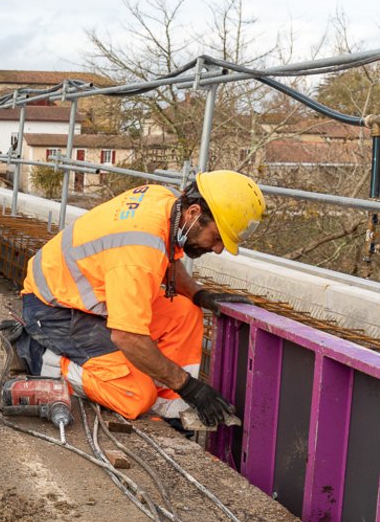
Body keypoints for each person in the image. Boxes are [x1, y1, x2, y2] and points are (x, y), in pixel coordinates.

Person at [16, 170, 265, 427]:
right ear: (193, 213)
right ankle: (42, 356)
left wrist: (199, 294)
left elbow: (167, 259)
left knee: (185, 312)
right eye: (217, 237)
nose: (218, 248)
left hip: (87, 296)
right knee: (136, 397)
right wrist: (189, 386)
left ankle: (172, 411)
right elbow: (128, 337)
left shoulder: (167, 202)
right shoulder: (138, 254)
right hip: (54, 309)